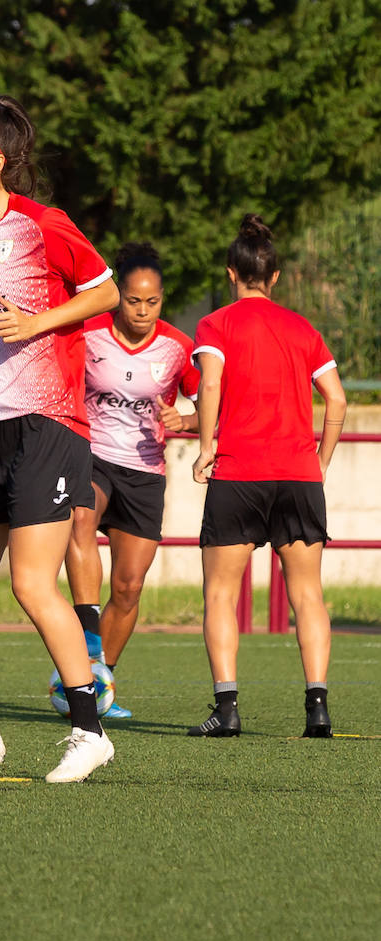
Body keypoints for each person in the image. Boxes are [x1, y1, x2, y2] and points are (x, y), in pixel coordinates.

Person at [0, 96, 120, 783]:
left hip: (48, 424)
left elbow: (104, 293)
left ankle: (88, 732)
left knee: (34, 586)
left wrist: (39, 324)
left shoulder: (44, 225)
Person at [189, 214, 346, 738]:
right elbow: (338, 400)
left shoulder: (216, 325)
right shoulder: (303, 329)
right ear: (274, 277)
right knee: (308, 595)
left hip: (239, 475)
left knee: (219, 595)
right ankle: (318, 707)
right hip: (298, 476)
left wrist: (208, 446)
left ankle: (227, 709)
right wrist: (318, 463)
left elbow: (209, 385)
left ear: (231, 272)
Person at [64, 243, 200, 719]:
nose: (142, 311)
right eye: (132, 300)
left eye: (152, 302)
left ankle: (99, 677)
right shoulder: (89, 333)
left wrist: (186, 421)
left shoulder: (178, 348)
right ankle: (87, 630)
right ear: (118, 296)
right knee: (80, 519)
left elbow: (212, 407)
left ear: (162, 300)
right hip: (93, 456)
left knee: (128, 587)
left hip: (146, 473)